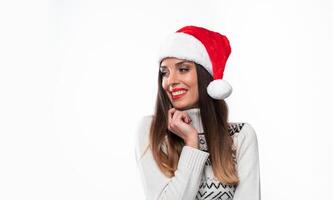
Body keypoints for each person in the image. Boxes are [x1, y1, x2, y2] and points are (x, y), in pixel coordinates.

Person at [134, 25, 261, 200]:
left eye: (183, 69)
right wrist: (191, 143)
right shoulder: (152, 130)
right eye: (165, 72)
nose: (170, 81)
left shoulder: (240, 136)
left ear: (204, 76)